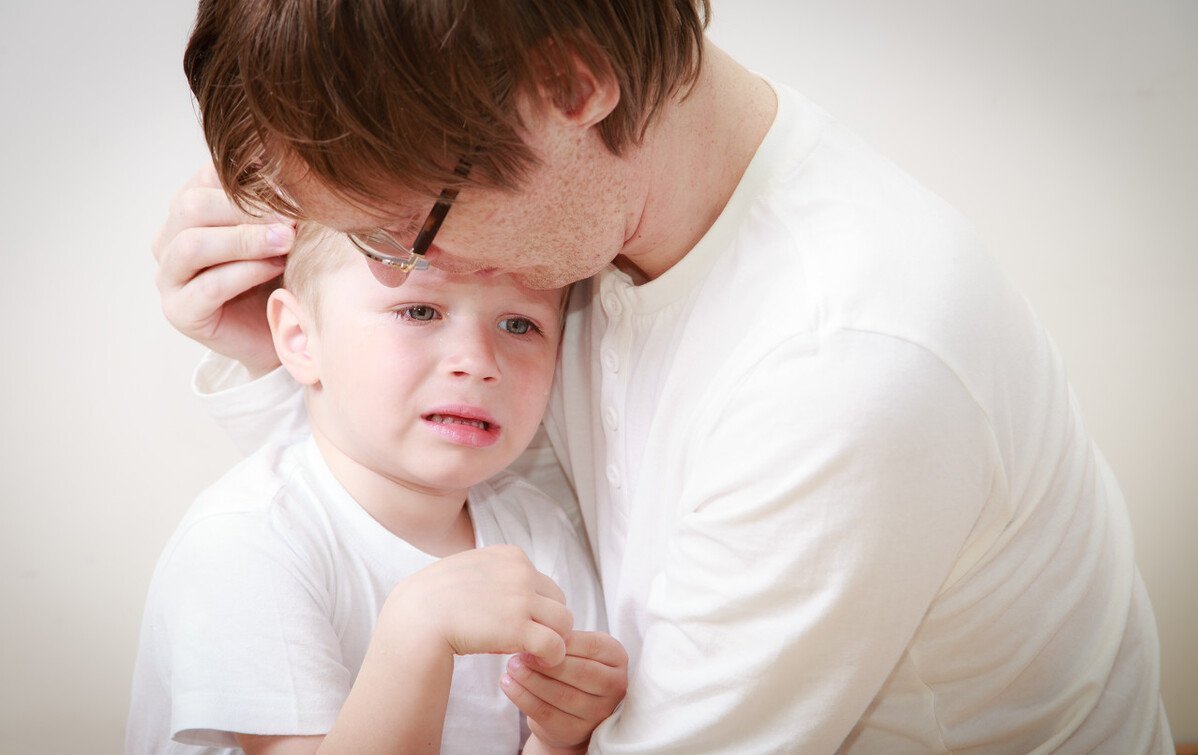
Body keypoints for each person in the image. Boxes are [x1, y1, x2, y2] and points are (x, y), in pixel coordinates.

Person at [152, 1, 1174, 752]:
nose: (389, 268)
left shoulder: (841, 364)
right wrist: (288, 354)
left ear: (570, 89)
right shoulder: (612, 208)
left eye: (399, 230)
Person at [129, 223, 628, 755]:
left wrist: (561, 738)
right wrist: (419, 632)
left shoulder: (539, 532)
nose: (479, 362)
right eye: (420, 312)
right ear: (299, 339)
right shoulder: (245, 541)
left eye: (518, 323)